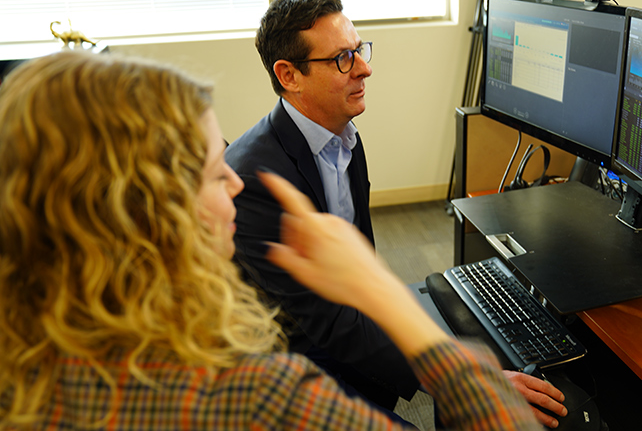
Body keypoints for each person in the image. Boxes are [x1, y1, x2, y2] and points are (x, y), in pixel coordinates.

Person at [0, 49, 545, 429]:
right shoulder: (246, 395)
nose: (234, 181)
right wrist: (384, 294)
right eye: (214, 173)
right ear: (149, 215)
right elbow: (501, 422)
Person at [225, 0, 568, 428]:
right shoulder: (256, 181)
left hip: (341, 321)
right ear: (289, 75)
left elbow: (361, 268)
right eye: (343, 59)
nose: (364, 68)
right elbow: (326, 320)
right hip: (286, 360)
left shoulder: (345, 138)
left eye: (359, 50)